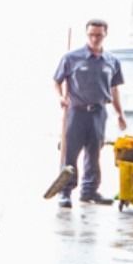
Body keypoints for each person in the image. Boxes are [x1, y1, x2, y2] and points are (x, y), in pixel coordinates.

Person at [53, 19, 127, 207]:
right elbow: (56, 80)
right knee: (69, 153)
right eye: (91, 35)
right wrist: (61, 97)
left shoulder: (111, 61)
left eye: (99, 35)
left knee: (94, 153)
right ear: (87, 35)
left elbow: (115, 89)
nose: (95, 38)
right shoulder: (71, 58)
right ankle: (65, 192)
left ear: (105, 35)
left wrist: (120, 114)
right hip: (76, 112)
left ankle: (89, 191)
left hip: (99, 112)